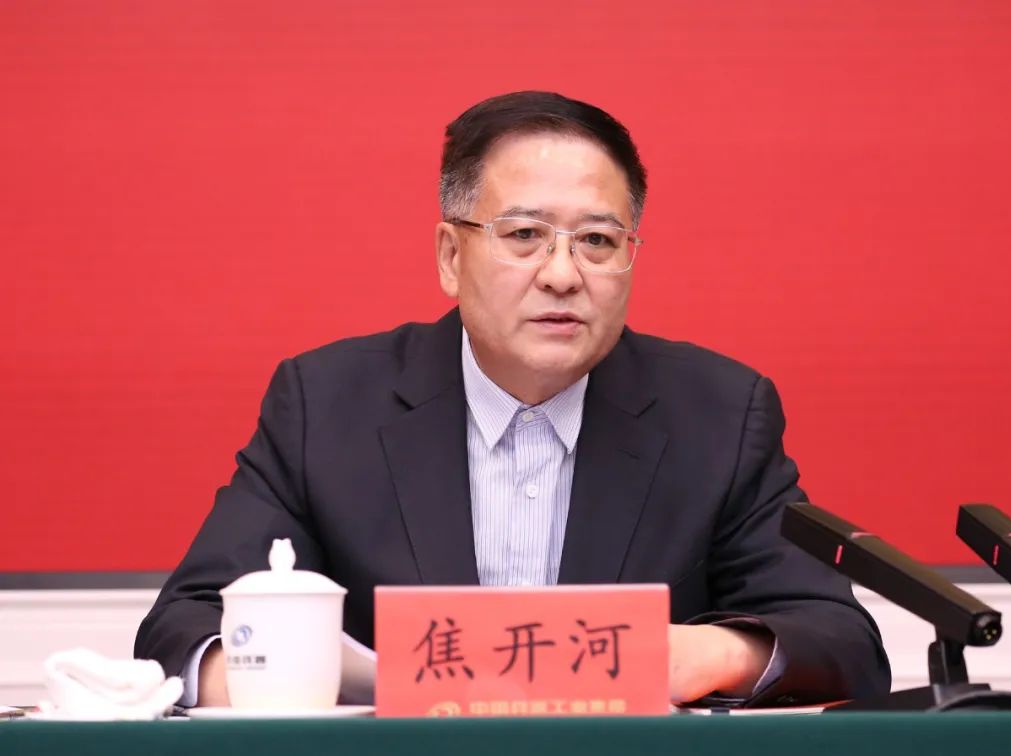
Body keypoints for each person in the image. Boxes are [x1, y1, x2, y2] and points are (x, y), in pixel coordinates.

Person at [135, 91, 890, 708]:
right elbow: (181, 629)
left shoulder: (719, 414)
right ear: (450, 256)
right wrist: (292, 674)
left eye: (598, 241)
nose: (562, 274)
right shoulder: (327, 405)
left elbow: (840, 641)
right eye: (525, 234)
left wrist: (706, 654)